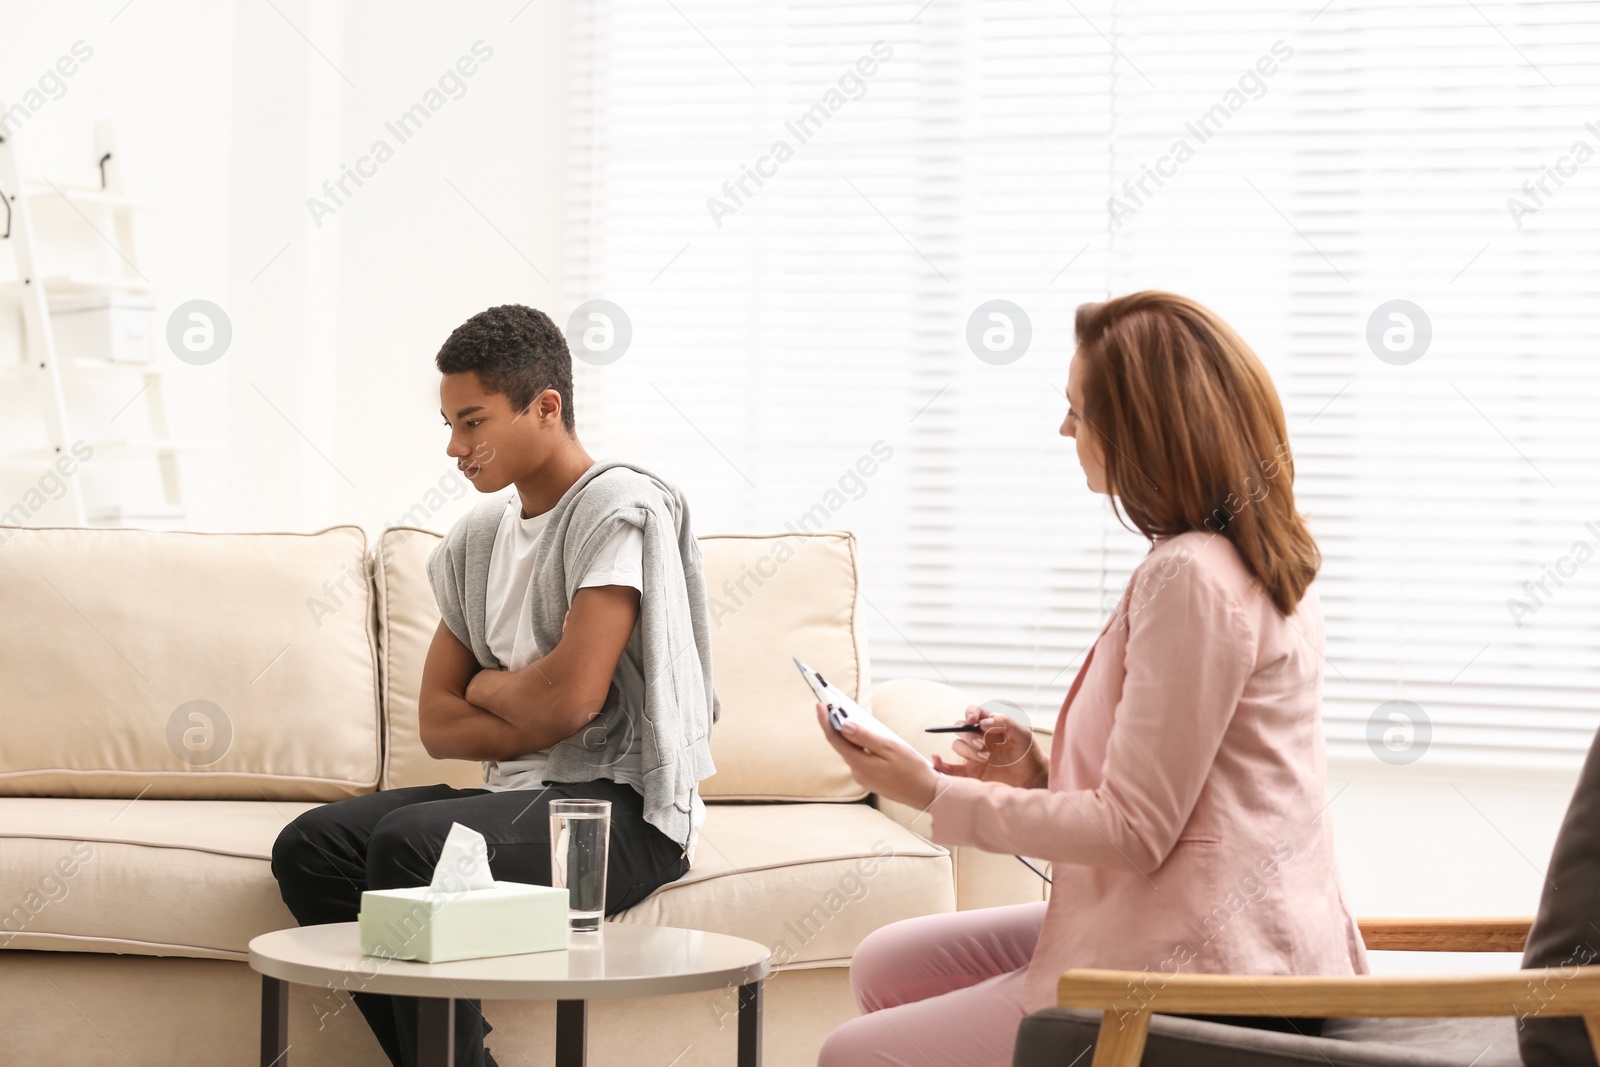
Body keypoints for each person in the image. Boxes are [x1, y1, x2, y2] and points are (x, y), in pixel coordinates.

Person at [815, 291, 1369, 1066]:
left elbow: (1135, 831)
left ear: (1145, 431)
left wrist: (932, 792)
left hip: (1205, 972)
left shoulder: (1189, 578)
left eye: (1079, 411)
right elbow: (1182, 792)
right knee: (884, 962)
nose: (1066, 430)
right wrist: (1034, 771)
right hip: (1226, 925)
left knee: (855, 1054)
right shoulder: (1243, 559)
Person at [270, 304, 719, 1067]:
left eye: (472, 421)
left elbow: (571, 700)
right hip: (515, 797)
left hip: (621, 814)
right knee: (312, 846)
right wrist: (526, 698)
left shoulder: (615, 510)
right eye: (449, 424)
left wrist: (488, 687)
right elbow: (438, 723)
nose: (455, 447)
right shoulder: (478, 540)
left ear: (546, 407)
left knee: (416, 846)